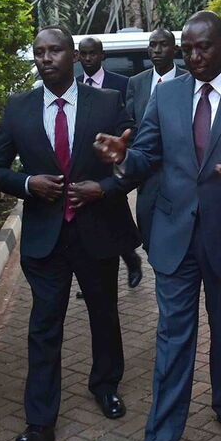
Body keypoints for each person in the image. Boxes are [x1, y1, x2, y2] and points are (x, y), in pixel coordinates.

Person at [94, 11, 221, 441]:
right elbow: (147, 154)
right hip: (175, 234)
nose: (194, 56)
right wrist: (124, 159)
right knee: (173, 336)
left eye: (204, 47)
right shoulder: (168, 94)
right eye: (188, 49)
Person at [0, 26, 141, 441]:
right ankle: (39, 421)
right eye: (39, 52)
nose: (46, 58)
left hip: (97, 232)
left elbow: (133, 160)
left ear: (73, 55)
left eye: (54, 50)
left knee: (104, 315)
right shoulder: (19, 108)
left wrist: (105, 184)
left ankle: (105, 385)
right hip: (45, 239)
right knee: (43, 326)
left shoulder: (106, 102)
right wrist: (29, 182)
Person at [77, 35, 143, 288]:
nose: (88, 58)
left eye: (93, 53)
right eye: (84, 54)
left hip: (113, 165)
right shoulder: (74, 85)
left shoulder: (121, 84)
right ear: (78, 56)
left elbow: (130, 123)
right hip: (83, 166)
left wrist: (122, 149)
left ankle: (131, 260)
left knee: (114, 216)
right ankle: (93, 276)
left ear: (102, 55)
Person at [126, 29, 188, 250]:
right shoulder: (136, 82)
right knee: (150, 237)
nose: (157, 50)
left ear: (175, 49)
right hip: (148, 178)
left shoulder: (189, 80)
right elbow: (131, 127)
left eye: (163, 44)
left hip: (182, 176)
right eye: (153, 45)